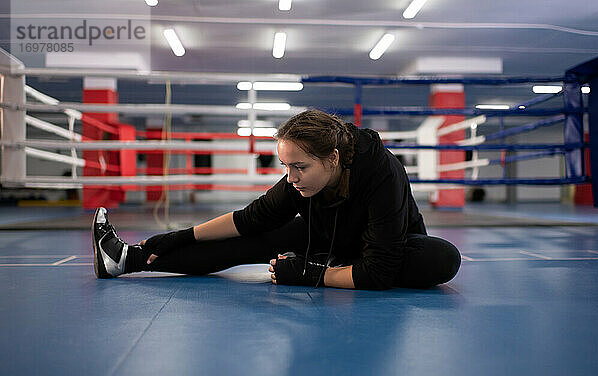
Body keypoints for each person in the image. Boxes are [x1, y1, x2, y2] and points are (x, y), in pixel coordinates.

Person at [92, 110, 461, 290]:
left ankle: (329, 266)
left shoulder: (382, 171)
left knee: (442, 258)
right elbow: (249, 219)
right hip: (328, 240)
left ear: (332, 158)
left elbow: (379, 271)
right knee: (254, 240)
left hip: (385, 248)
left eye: (299, 166)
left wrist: (310, 275)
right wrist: (181, 235)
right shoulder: (300, 182)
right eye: (285, 166)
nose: (291, 177)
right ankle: (124, 260)